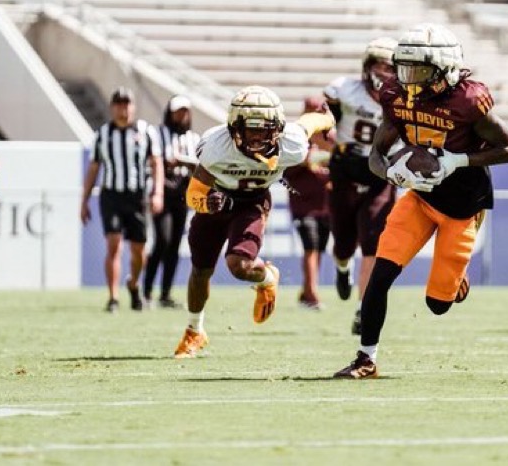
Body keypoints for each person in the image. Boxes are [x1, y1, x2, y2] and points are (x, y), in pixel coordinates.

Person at [333, 23, 508, 379]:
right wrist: (391, 174)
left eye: (418, 69)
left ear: (445, 68)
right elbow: (377, 154)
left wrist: (457, 160)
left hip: (463, 209)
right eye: (404, 68)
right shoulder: (397, 95)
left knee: (437, 305)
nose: (408, 78)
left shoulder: (466, 102)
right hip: (419, 199)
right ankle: (365, 359)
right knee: (380, 277)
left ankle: (455, 283)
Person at [173, 85, 334, 359]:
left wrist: (329, 119)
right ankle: (195, 330)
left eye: (265, 128)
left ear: (278, 127)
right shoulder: (216, 146)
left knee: (240, 266)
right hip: (217, 200)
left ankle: (267, 277)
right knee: (200, 271)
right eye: (252, 128)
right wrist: (205, 201)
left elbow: (309, 122)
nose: (259, 136)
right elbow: (193, 193)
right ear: (235, 126)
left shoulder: (291, 143)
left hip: (253, 201)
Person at [323, 37, 398, 335]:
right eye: (381, 65)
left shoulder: (403, 99)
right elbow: (321, 122)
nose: (386, 72)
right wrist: (331, 141)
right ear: (368, 67)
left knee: (374, 242)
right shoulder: (344, 89)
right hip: (345, 171)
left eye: (392, 67)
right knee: (343, 243)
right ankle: (343, 269)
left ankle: (362, 308)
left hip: (380, 173)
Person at [80, 87, 164, 313]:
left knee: (139, 250)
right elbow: (94, 168)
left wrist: (158, 193)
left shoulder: (146, 132)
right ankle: (113, 297)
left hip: (138, 196)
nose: (123, 108)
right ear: (112, 107)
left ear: (133, 107)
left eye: (127, 104)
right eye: (118, 104)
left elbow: (157, 164)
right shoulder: (102, 135)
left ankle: (134, 283)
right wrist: (84, 201)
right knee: (114, 244)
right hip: (111, 195)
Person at [144, 95, 200, 309]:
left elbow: (199, 166)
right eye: (178, 111)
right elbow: (156, 161)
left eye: (185, 111)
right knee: (162, 241)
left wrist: (182, 161)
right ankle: (147, 291)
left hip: (182, 194)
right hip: (163, 191)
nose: (182, 115)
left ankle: (165, 293)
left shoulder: (194, 138)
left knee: (175, 244)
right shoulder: (157, 134)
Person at [282, 96, 334, 310]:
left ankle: (307, 291)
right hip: (304, 204)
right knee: (310, 247)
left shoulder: (329, 139)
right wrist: (307, 160)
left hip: (325, 205)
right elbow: (285, 167)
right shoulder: (296, 139)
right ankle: (312, 294)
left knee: (319, 249)